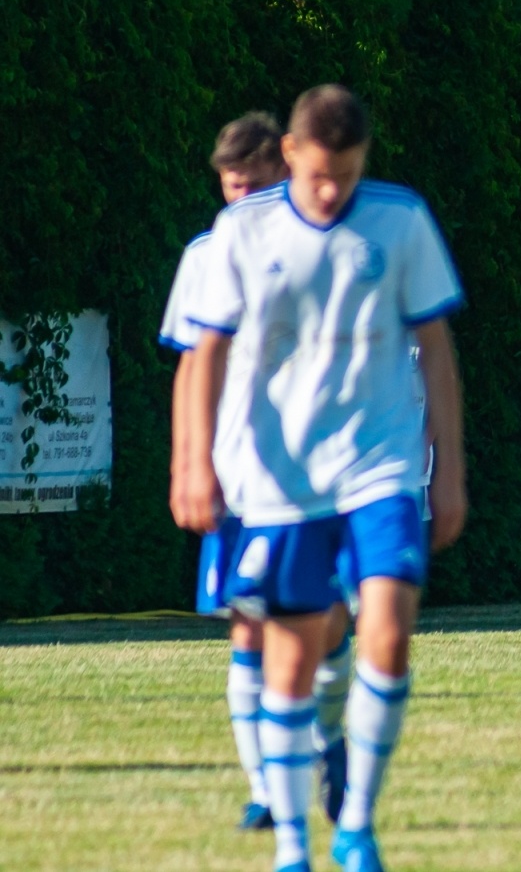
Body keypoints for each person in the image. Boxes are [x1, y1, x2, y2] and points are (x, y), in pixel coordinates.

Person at [174, 85, 467, 872]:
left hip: (379, 468)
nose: (332, 191)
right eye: (318, 175)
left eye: (347, 173)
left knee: (389, 634)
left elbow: (435, 345)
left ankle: (358, 828)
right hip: (281, 483)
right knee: (295, 659)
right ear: (292, 155)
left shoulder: (400, 221)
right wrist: (193, 461)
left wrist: (450, 474)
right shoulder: (240, 234)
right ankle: (294, 846)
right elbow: (203, 356)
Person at [160, 113, 353, 832]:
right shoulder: (208, 254)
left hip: (321, 467)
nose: (243, 204)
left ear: (286, 171)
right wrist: (191, 461)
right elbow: (191, 364)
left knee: (326, 620)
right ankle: (269, 792)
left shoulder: (330, 245)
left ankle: (329, 737)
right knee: (247, 622)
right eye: (230, 189)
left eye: (255, 187)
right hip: (243, 471)